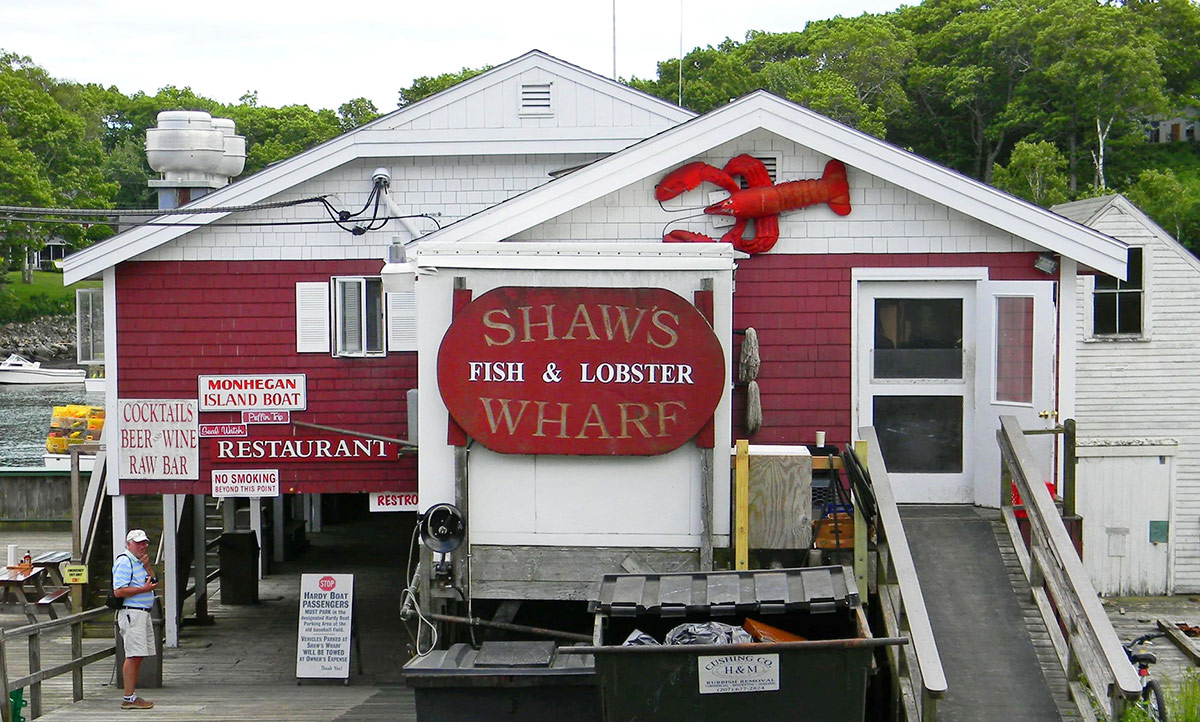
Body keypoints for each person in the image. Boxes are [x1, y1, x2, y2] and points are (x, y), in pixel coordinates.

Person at [113, 529, 158, 710]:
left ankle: (130, 696)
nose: (142, 546)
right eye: (138, 543)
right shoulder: (124, 561)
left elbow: (154, 581)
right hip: (132, 613)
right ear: (128, 544)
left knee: (138, 654)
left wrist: (147, 566)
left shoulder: (139, 562)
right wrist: (143, 590)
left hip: (142, 612)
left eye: (144, 542)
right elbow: (119, 590)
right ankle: (128, 697)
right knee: (133, 655)